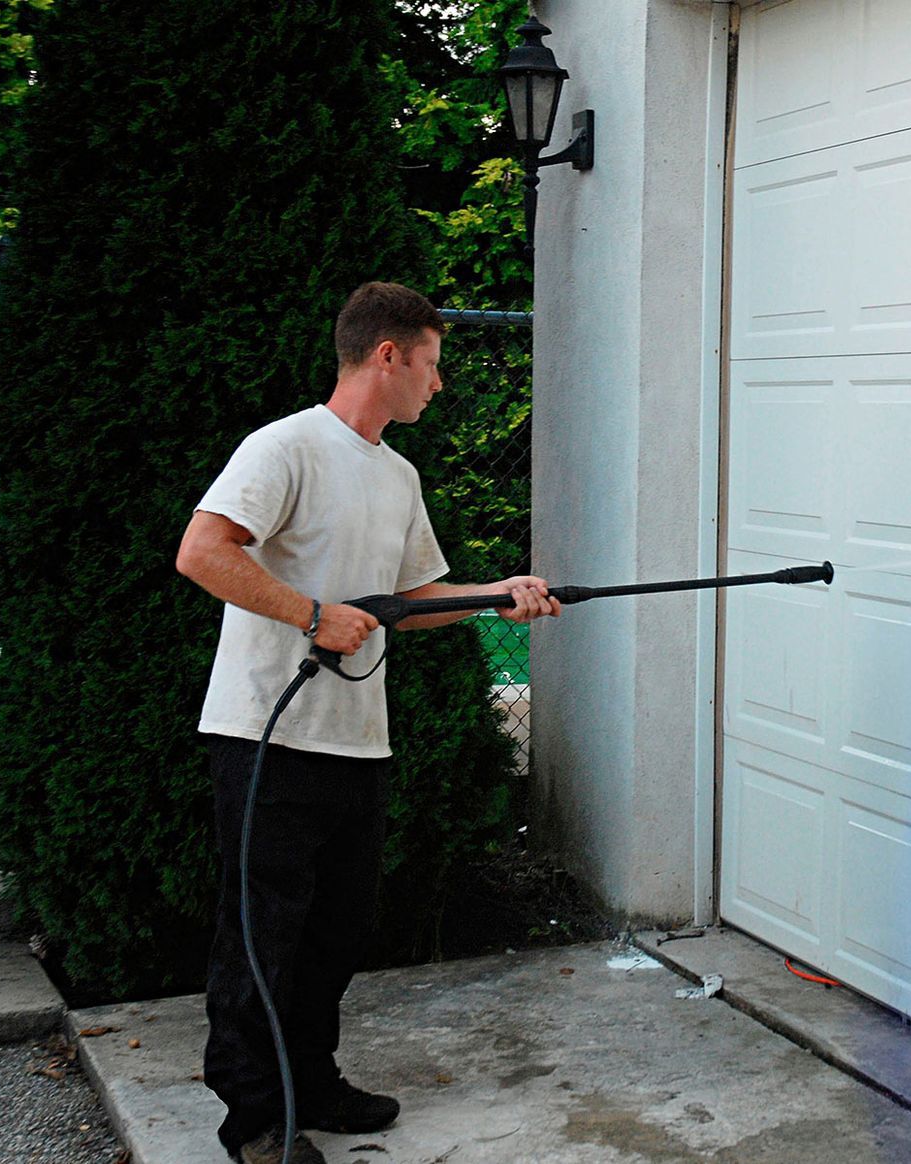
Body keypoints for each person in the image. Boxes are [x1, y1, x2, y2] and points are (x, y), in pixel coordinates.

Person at [175, 281, 560, 1164]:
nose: (439, 384)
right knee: (262, 932)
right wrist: (312, 615)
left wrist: (500, 597)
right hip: (265, 736)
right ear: (388, 354)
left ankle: (312, 1084)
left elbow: (411, 601)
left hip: (357, 742)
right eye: (433, 364)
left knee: (335, 933)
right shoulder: (285, 448)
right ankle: (257, 1122)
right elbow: (202, 550)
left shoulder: (397, 475)